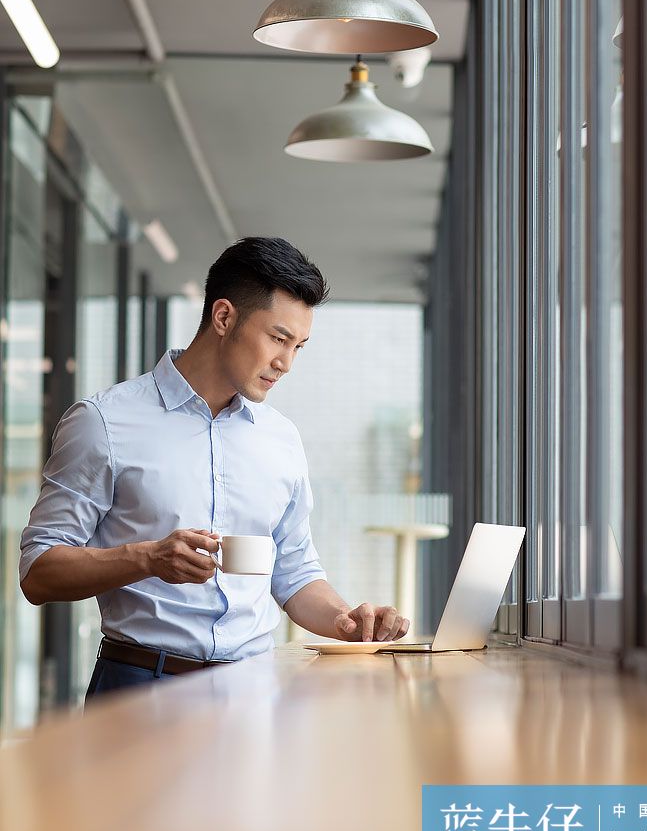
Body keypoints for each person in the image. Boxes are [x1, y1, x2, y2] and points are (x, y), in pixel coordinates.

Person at [19, 236, 410, 704]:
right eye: (278, 339)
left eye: (299, 346)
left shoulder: (281, 438)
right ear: (224, 317)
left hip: (253, 692)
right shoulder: (103, 422)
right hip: (140, 689)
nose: (286, 363)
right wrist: (146, 558)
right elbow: (38, 571)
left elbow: (294, 571)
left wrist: (347, 621)